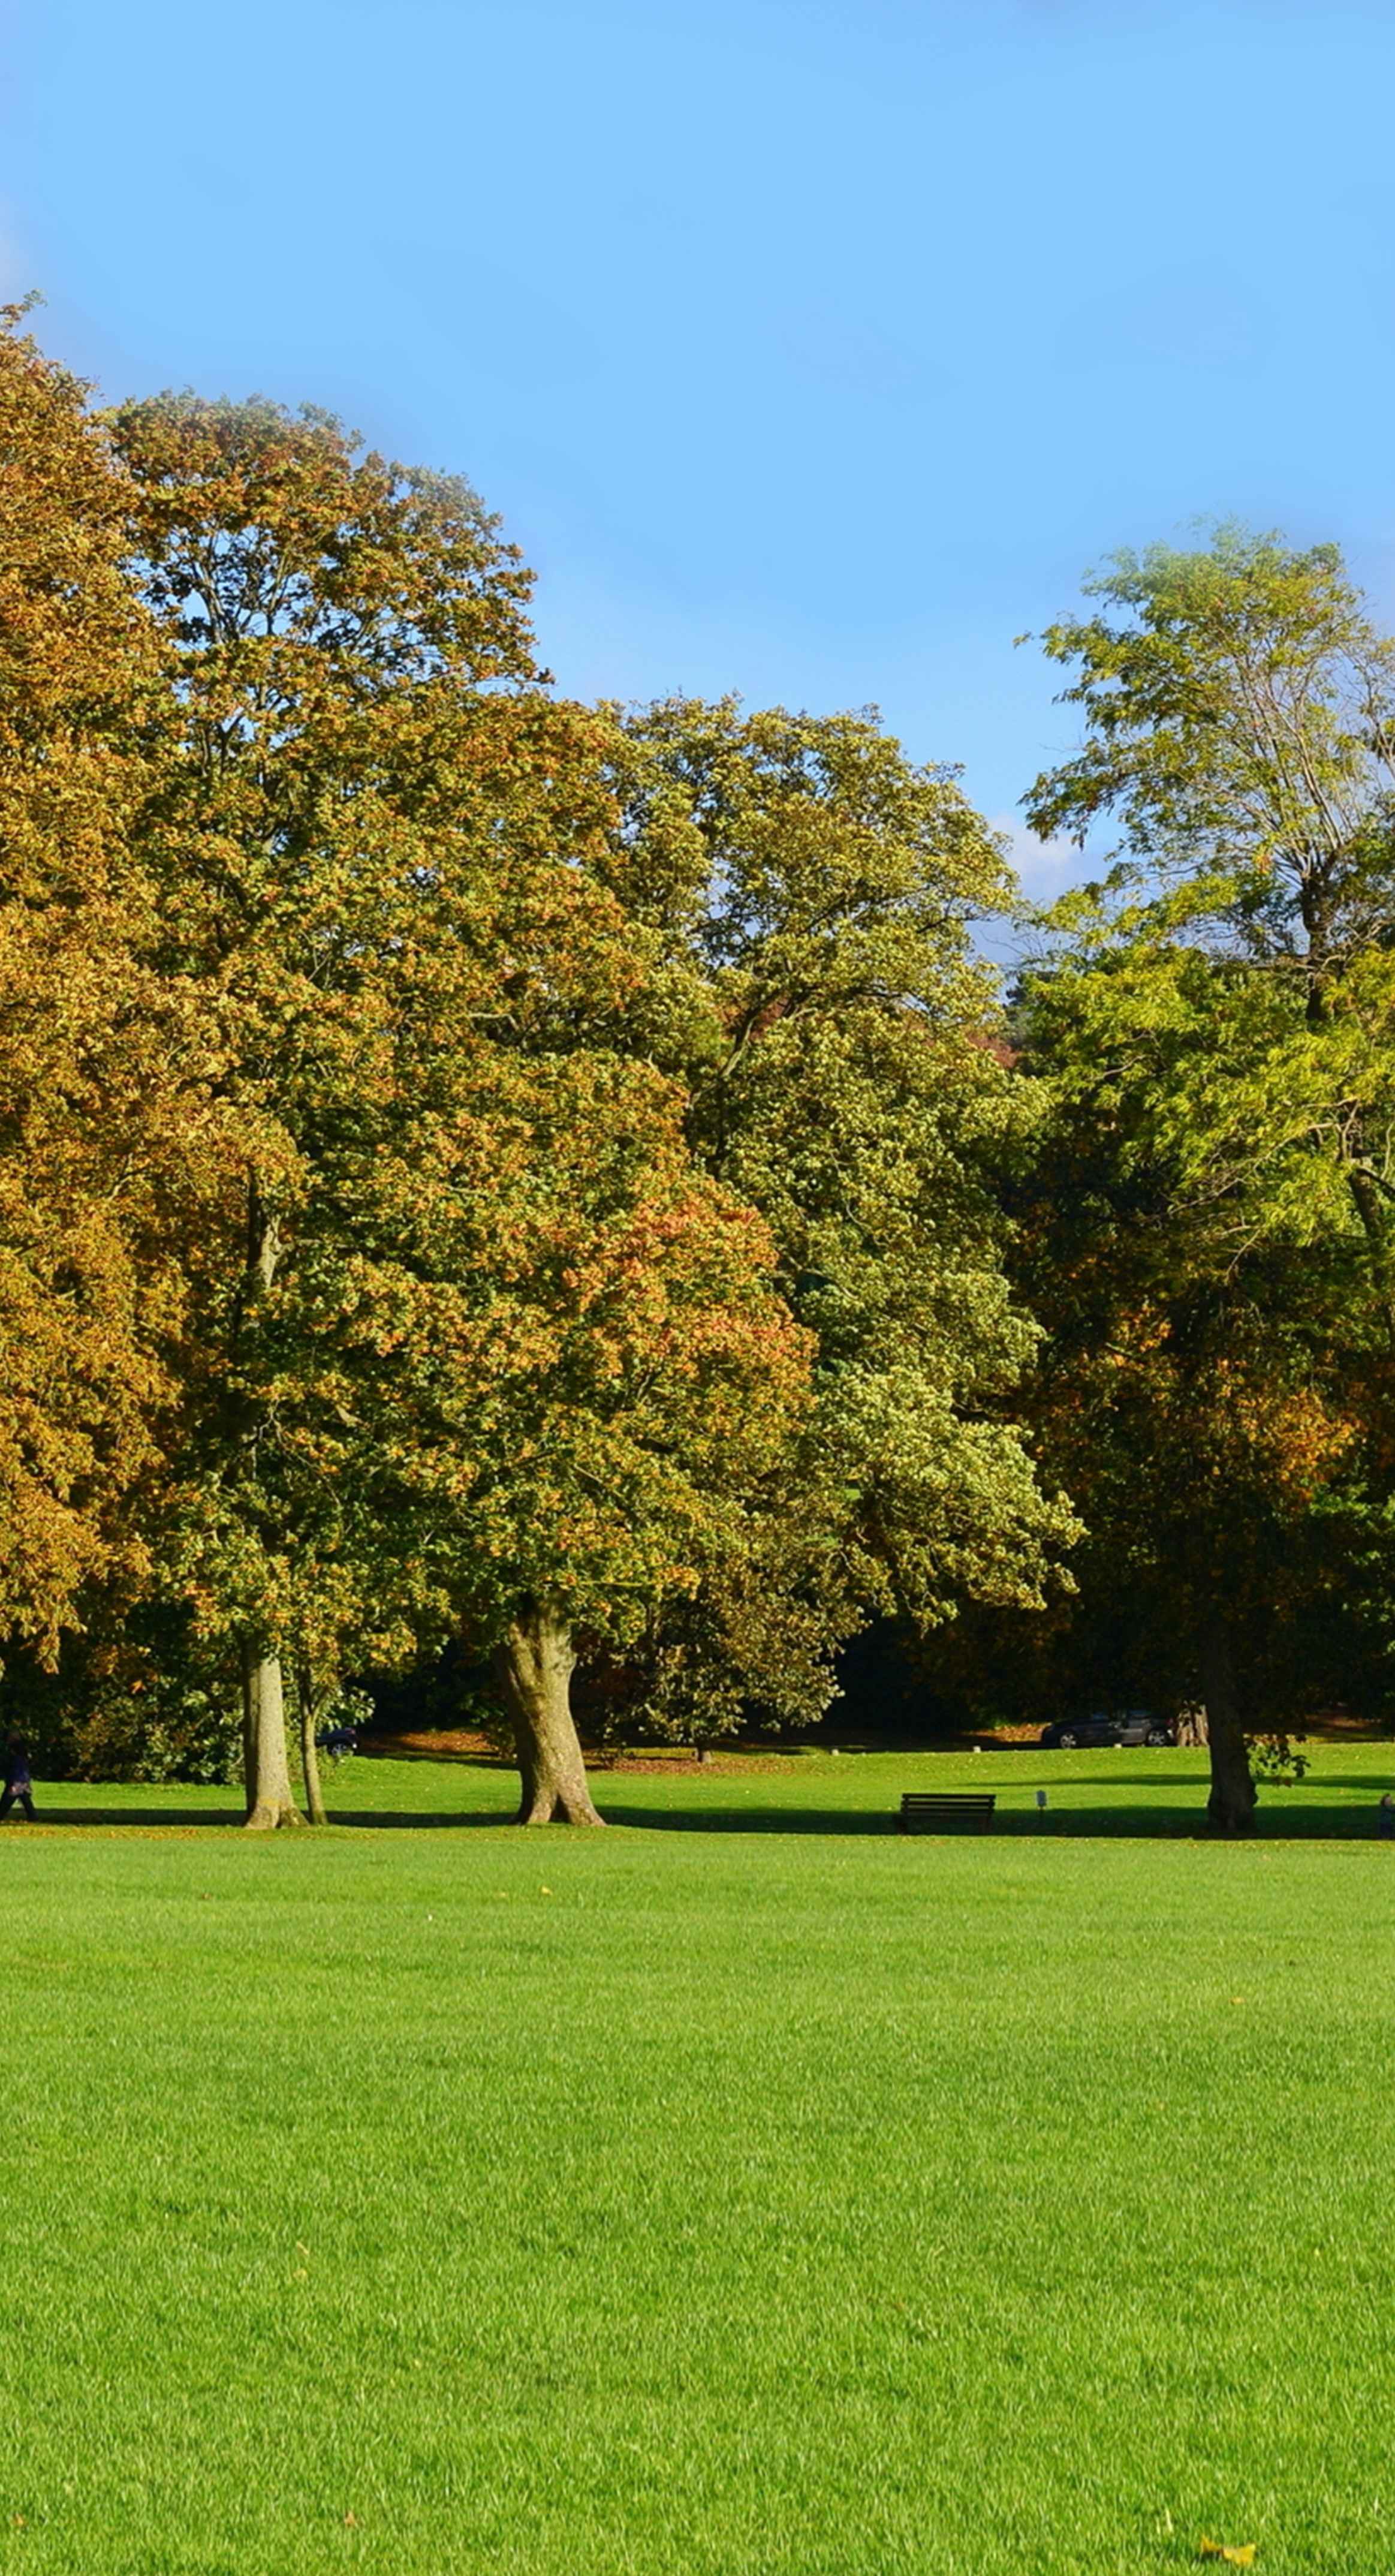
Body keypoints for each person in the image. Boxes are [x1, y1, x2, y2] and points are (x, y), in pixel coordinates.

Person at [1, 1734, 35, 1822]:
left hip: (17, 1781)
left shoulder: (15, 1755)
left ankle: (1, 1815)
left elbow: (16, 1769)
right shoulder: (23, 1753)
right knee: (25, 1800)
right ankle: (33, 1817)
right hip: (23, 1780)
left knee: (7, 1800)